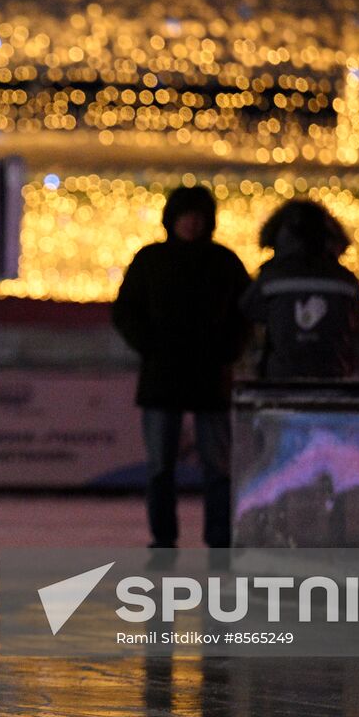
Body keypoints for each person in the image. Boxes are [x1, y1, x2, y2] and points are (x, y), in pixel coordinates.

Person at [111, 184, 251, 550]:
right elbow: (126, 311)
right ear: (172, 219)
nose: (191, 224)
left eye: (198, 217)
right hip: (164, 377)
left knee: (217, 467)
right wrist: (149, 346)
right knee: (160, 467)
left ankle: (219, 537)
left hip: (209, 377)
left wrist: (228, 351)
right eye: (186, 216)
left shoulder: (224, 262)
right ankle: (163, 536)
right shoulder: (150, 261)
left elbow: (245, 314)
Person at [241, 199, 359, 379]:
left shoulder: (271, 277)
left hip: (281, 377)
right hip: (332, 374)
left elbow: (249, 310)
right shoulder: (343, 280)